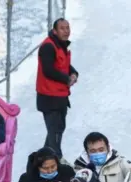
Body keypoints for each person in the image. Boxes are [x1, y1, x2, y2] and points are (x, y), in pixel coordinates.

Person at [36, 18, 79, 162]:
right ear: (55, 31)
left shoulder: (60, 45)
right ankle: (57, 160)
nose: (66, 31)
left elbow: (64, 65)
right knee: (54, 132)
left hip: (60, 96)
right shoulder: (48, 46)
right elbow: (48, 70)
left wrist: (73, 73)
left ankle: (41, 161)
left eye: (68, 28)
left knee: (57, 130)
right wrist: (67, 79)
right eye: (62, 28)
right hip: (49, 97)